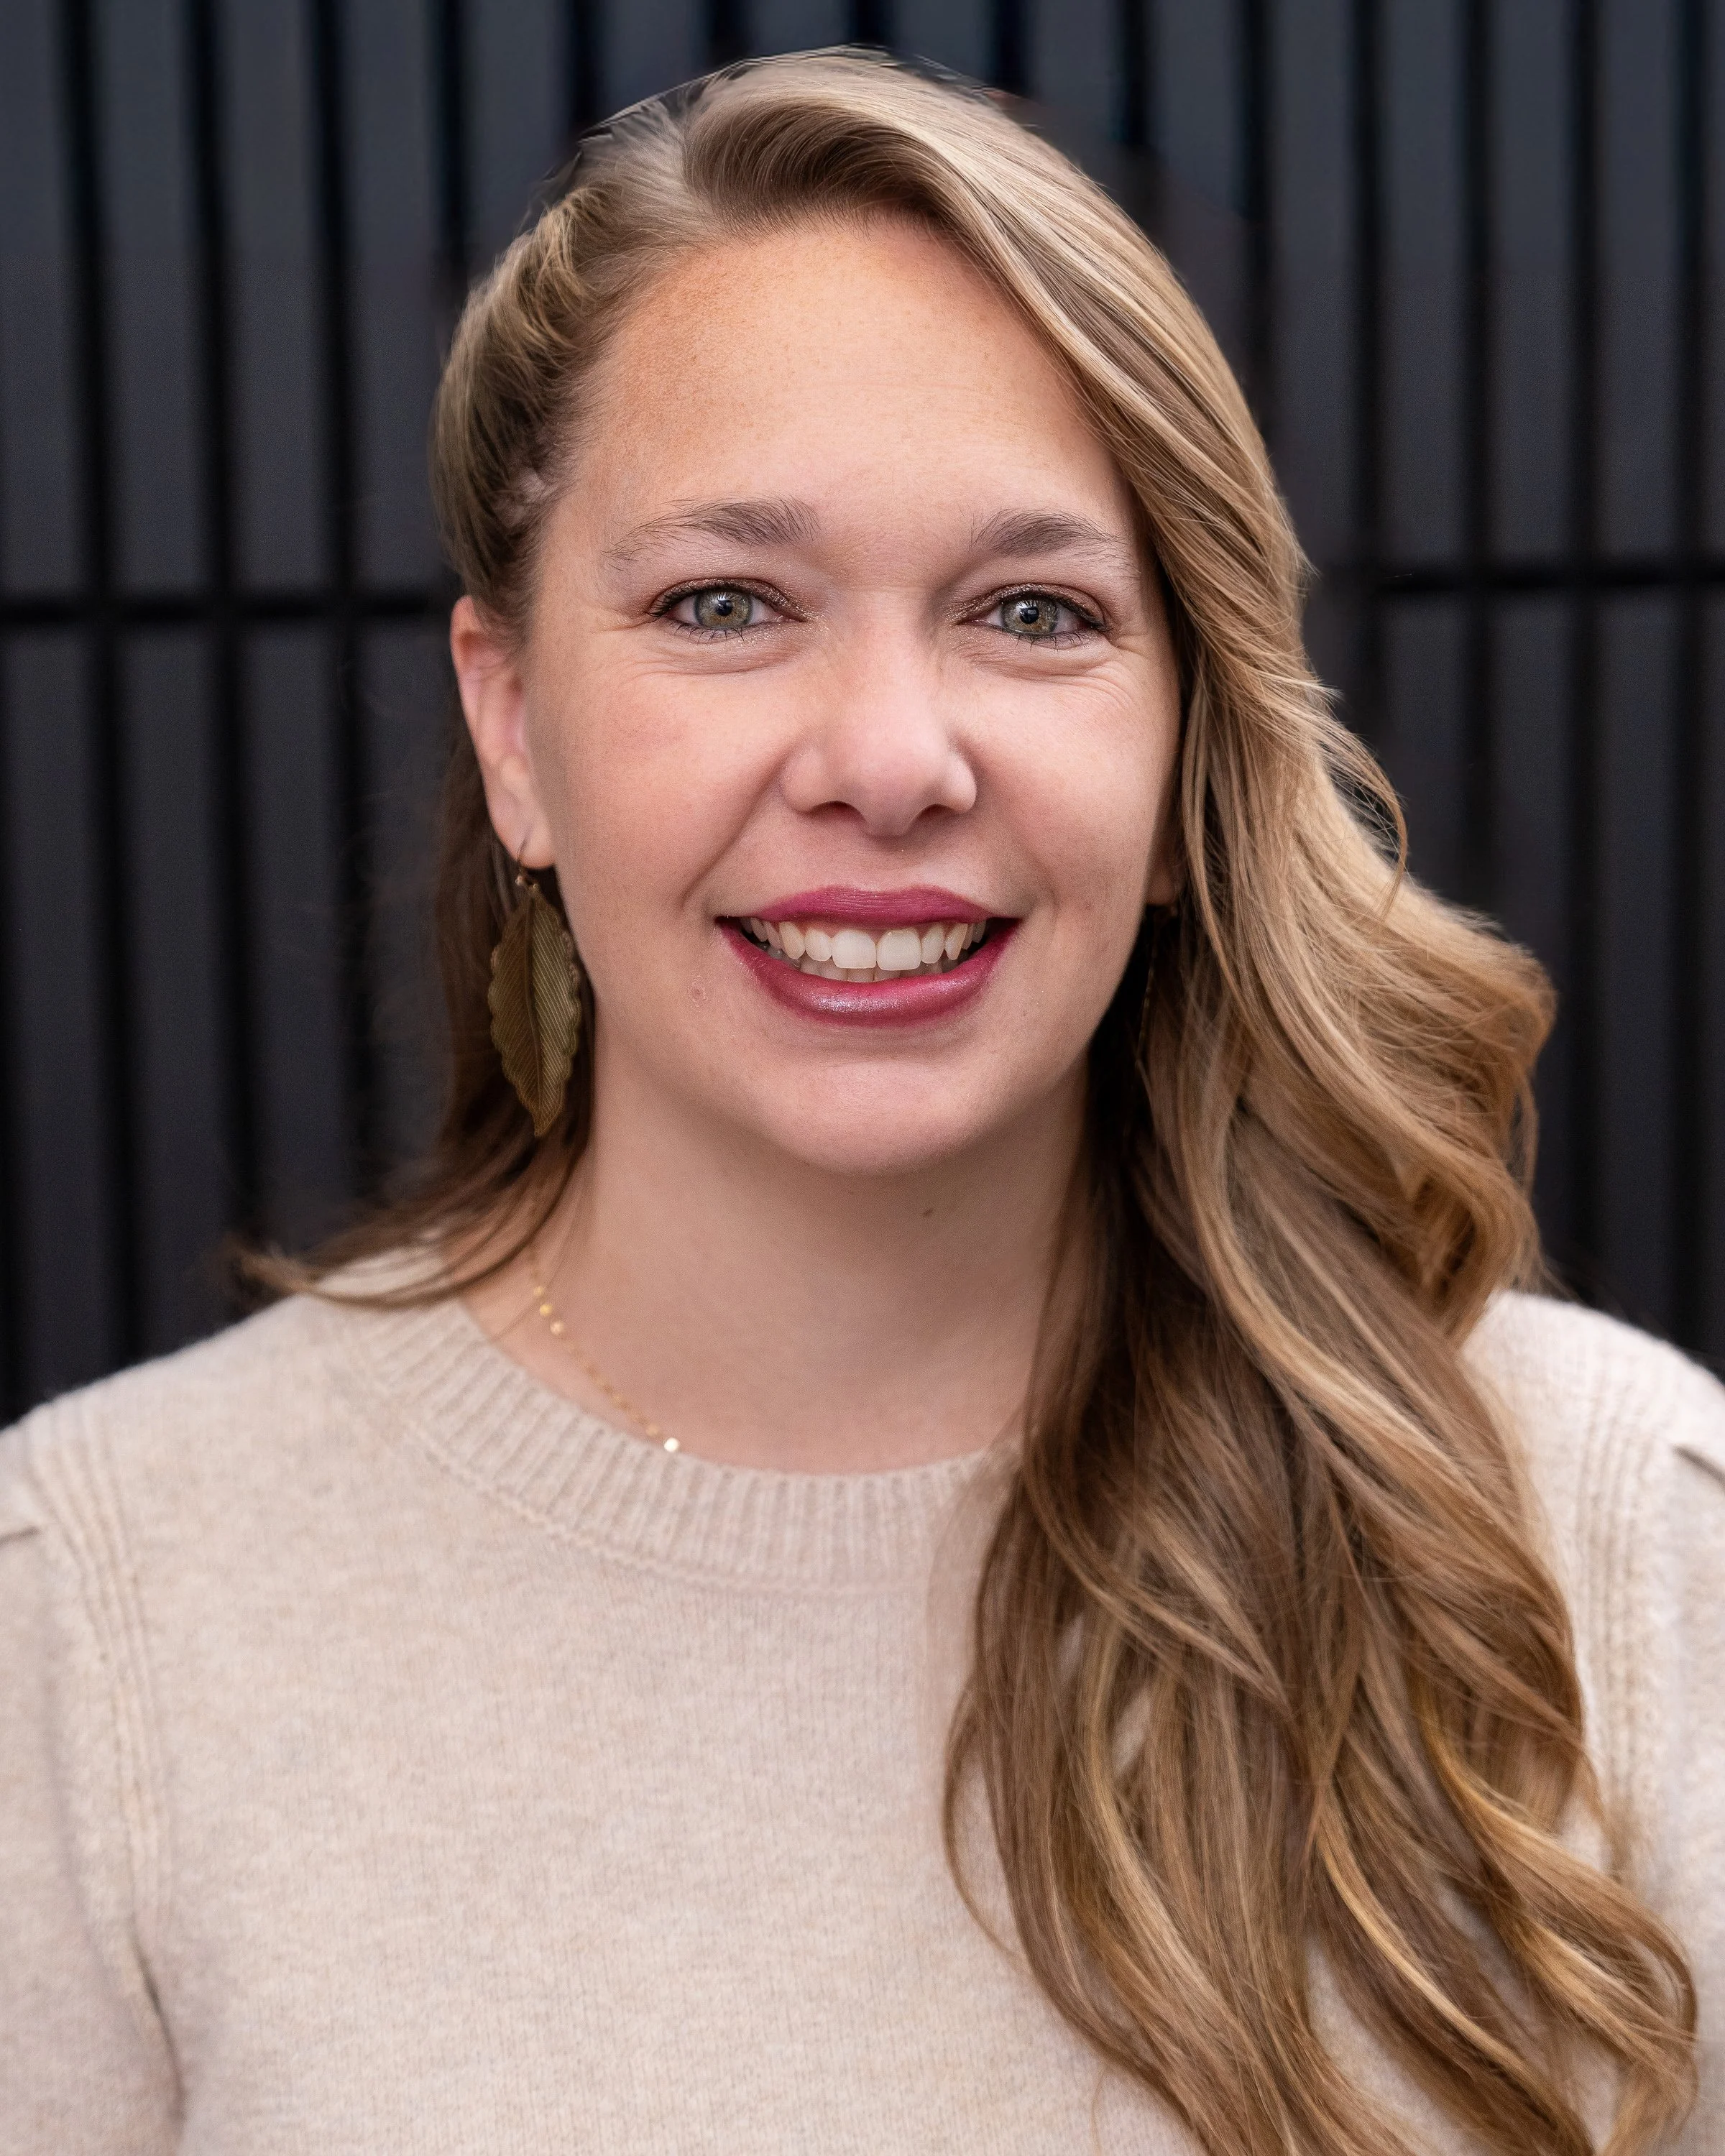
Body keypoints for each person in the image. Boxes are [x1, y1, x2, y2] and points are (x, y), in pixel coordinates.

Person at [0, 49, 1716, 2156]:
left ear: (1190, 769)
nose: (891, 757)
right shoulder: (89, 1614)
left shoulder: (1619, 1537)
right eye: (728, 605)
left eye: (1034, 613)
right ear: (515, 726)